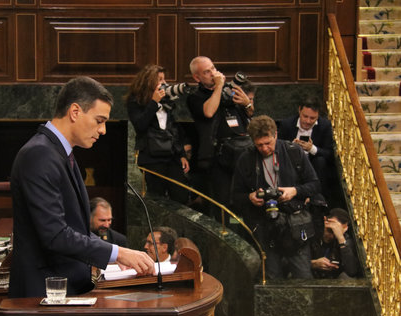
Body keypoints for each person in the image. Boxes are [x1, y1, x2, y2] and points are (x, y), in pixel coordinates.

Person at [9, 76, 155, 298]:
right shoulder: (39, 154)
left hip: (62, 285)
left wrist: (115, 257)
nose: (103, 130)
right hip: (43, 294)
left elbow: (75, 228)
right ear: (75, 111)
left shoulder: (59, 151)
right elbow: (55, 235)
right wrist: (117, 253)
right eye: (99, 120)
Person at [232, 115, 321, 279]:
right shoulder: (246, 159)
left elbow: (314, 185)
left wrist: (294, 191)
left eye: (268, 143)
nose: (264, 149)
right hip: (265, 227)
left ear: (276, 135)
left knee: (304, 277)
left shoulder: (294, 152)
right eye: (259, 145)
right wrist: (250, 197)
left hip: (295, 226)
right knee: (271, 278)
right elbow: (235, 196)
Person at [187, 56, 254, 217]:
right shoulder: (195, 96)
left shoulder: (229, 91)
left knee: (243, 199)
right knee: (222, 203)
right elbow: (209, 112)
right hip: (217, 157)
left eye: (213, 68)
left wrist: (247, 104)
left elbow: (249, 116)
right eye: (207, 72)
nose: (212, 73)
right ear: (197, 77)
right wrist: (219, 87)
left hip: (242, 153)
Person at [127, 64, 190, 204]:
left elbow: (174, 130)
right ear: (149, 81)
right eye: (160, 79)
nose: (164, 83)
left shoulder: (167, 102)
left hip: (172, 156)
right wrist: (154, 102)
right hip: (152, 157)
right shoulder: (135, 101)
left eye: (164, 79)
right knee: (157, 198)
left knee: (181, 196)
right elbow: (140, 125)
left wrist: (182, 155)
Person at [277, 96, 336, 204]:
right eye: (305, 116)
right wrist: (290, 147)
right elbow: (277, 147)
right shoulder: (287, 124)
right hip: (291, 163)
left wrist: (312, 149)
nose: (308, 121)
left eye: (313, 118)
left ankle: (319, 199)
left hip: (313, 164)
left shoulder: (325, 126)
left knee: (321, 161)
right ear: (299, 110)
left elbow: (330, 154)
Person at [311, 208, 359, 279]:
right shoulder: (312, 232)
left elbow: (352, 271)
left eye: (336, 232)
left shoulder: (345, 239)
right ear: (324, 220)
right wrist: (313, 264)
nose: (332, 236)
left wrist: (340, 238)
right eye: (330, 230)